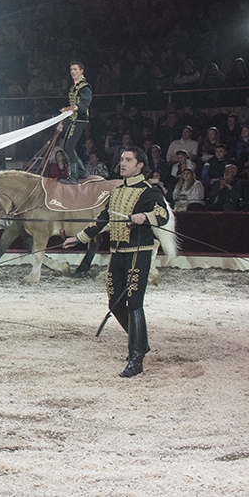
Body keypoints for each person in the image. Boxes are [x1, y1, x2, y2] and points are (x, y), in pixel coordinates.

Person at [62, 147, 170, 378]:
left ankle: (136, 357)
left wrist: (145, 216)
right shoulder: (117, 192)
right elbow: (103, 219)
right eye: (122, 159)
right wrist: (79, 237)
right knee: (115, 304)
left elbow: (162, 214)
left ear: (140, 165)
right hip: (117, 253)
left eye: (128, 160)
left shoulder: (150, 191)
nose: (123, 163)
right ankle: (140, 342)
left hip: (138, 252)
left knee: (134, 303)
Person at [57, 61, 91, 184]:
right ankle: (81, 171)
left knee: (69, 146)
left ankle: (74, 176)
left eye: (75, 69)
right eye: (71, 69)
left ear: (81, 71)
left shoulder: (84, 87)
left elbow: (85, 103)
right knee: (66, 145)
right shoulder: (75, 86)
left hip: (80, 119)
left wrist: (72, 108)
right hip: (73, 119)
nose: (73, 72)